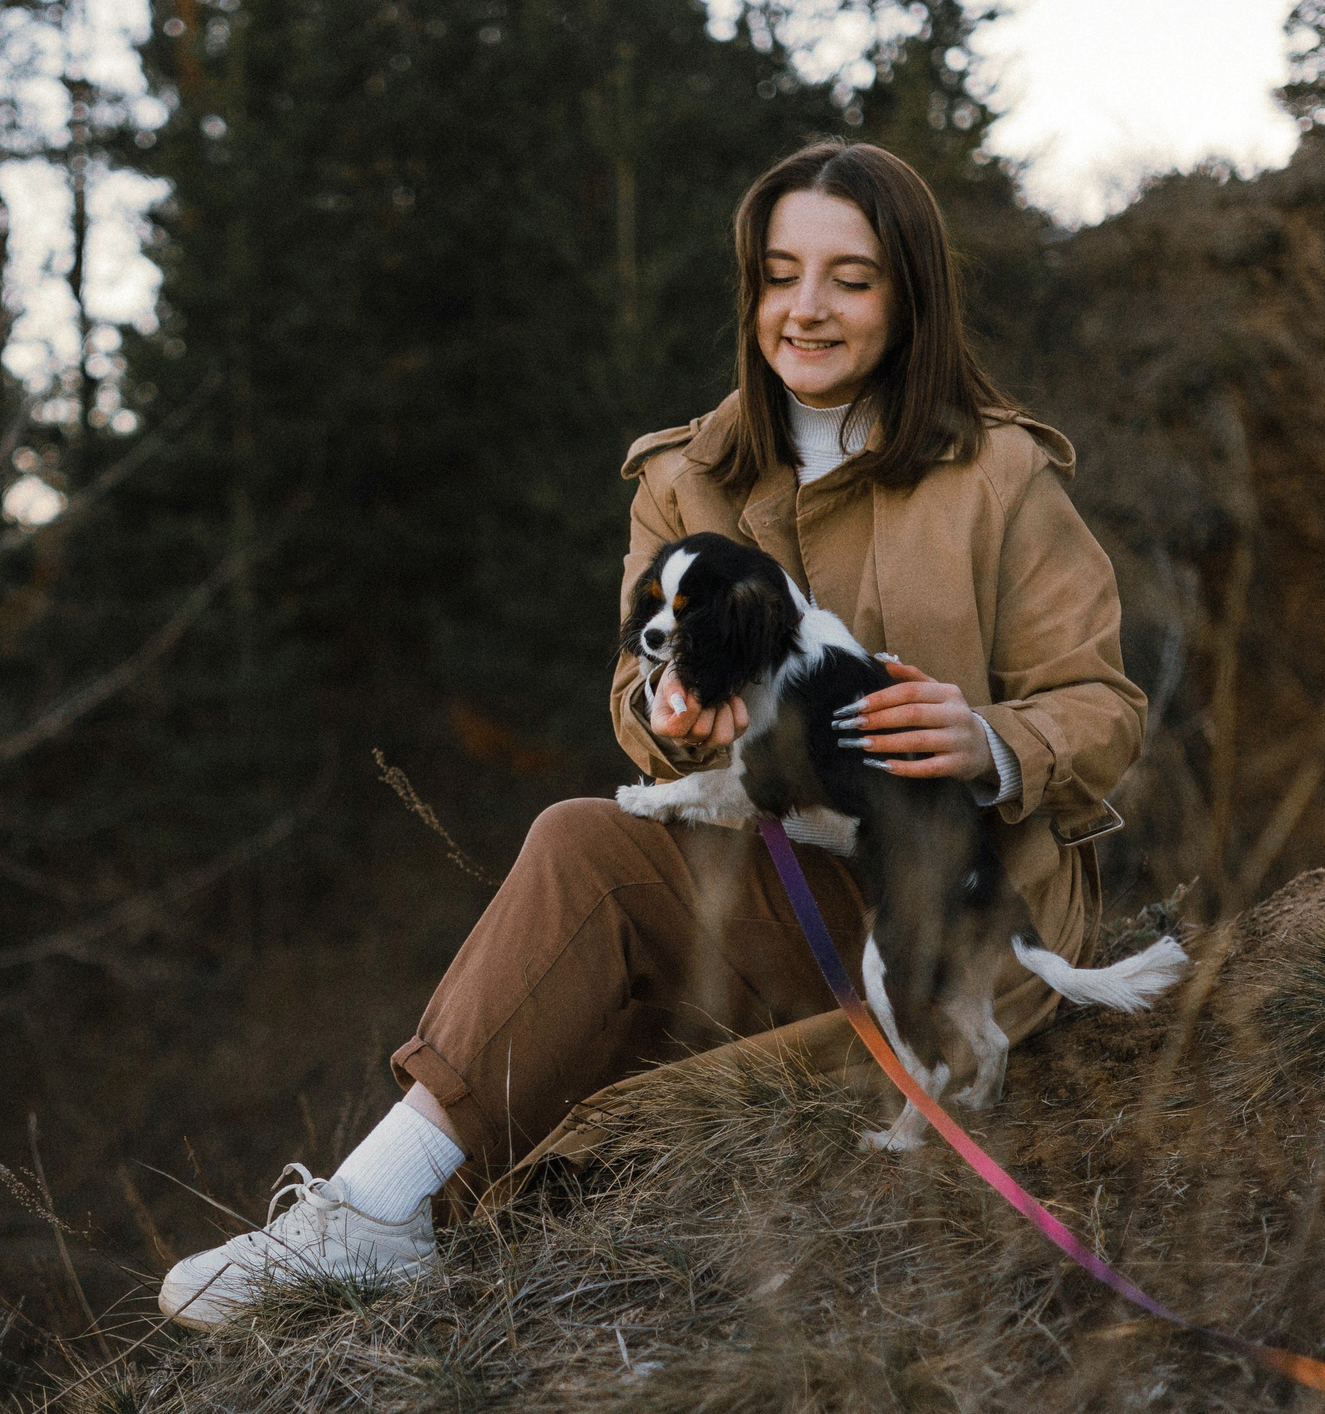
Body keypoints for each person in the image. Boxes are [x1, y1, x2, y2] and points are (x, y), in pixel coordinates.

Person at [158, 139, 1146, 1331]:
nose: (807, 308)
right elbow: (636, 700)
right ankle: (366, 1220)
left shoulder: (997, 472)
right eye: (780, 274)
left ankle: (406, 1227)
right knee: (579, 843)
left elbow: (1102, 709)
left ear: (909, 293)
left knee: (603, 1140)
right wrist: (674, 721)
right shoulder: (686, 477)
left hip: (956, 909)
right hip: (777, 884)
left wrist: (987, 737)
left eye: (851, 276)